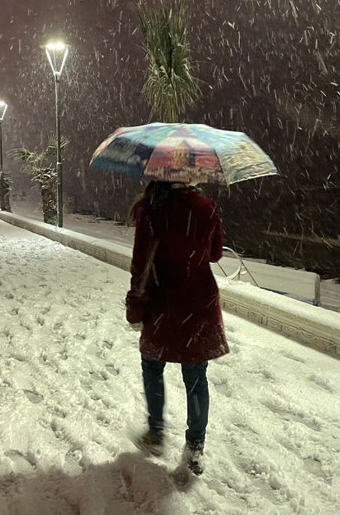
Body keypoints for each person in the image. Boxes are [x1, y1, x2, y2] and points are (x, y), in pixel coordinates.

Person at [125, 181, 228, 476]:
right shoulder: (206, 208)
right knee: (196, 376)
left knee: (152, 365)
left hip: (163, 303)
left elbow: (140, 263)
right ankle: (195, 446)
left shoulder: (152, 208)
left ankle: (156, 431)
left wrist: (136, 304)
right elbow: (215, 254)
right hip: (198, 302)